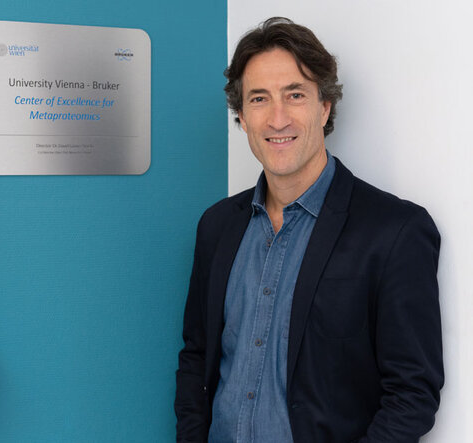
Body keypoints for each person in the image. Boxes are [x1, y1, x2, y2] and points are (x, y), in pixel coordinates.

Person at [175, 17, 443, 442]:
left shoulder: (395, 232)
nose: (277, 118)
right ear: (242, 116)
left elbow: (412, 395)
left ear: (324, 107)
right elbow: (197, 359)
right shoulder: (217, 227)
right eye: (259, 98)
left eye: (295, 94)